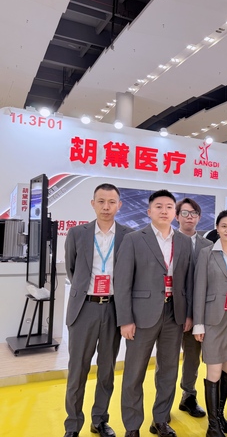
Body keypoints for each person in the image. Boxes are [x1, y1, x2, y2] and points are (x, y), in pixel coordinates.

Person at [115, 189, 195, 437]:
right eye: (158, 206)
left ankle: (160, 419)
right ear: (149, 211)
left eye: (169, 207)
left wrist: (189, 314)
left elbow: (188, 281)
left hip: (174, 314)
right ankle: (132, 426)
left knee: (168, 370)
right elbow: (122, 282)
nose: (164, 211)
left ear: (175, 213)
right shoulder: (134, 239)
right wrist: (125, 319)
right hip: (141, 316)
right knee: (134, 372)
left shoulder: (183, 241)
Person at [63, 184, 132, 437]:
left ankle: (100, 420)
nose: (106, 207)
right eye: (101, 201)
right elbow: (72, 269)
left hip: (113, 309)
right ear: (92, 203)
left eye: (111, 202)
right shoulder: (77, 233)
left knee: (106, 369)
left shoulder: (128, 235)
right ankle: (73, 425)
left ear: (119, 205)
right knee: (77, 369)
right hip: (84, 308)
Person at [193, 210, 227, 437]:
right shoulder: (206, 253)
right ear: (217, 228)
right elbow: (199, 288)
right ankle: (212, 426)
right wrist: (198, 323)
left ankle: (219, 416)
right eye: (224, 226)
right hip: (212, 318)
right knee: (213, 368)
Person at [175, 198, 212, 419]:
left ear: (199, 217)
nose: (190, 217)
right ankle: (163, 404)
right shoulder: (168, 241)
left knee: (192, 356)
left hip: (197, 312)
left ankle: (188, 395)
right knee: (167, 360)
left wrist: (195, 315)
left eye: (194, 213)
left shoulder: (208, 246)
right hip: (170, 311)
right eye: (185, 213)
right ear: (177, 216)